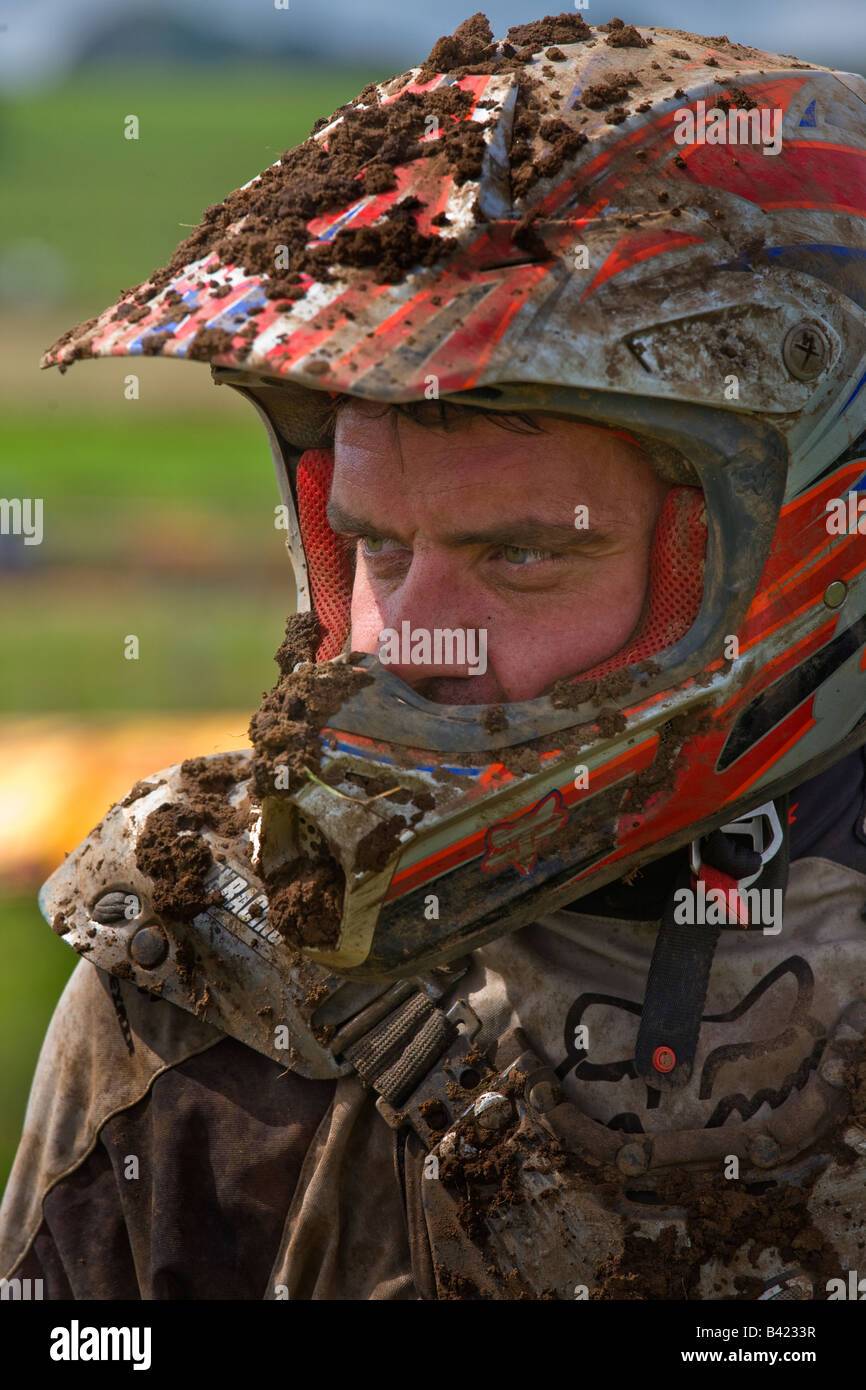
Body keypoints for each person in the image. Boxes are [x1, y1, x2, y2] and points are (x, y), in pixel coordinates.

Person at [3, 12, 866, 1301]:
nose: (408, 642)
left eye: (523, 555)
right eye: (375, 547)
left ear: (794, 545)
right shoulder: (203, 976)